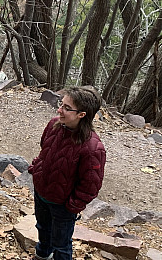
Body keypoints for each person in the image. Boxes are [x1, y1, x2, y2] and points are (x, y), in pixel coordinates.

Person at [28, 86, 106, 260]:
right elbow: (44, 150)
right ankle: (41, 256)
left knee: (61, 244)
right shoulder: (54, 125)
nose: (59, 110)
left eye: (66, 108)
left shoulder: (92, 148)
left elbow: (90, 185)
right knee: (43, 229)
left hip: (63, 205)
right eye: (61, 104)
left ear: (82, 115)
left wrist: (72, 206)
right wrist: (36, 169)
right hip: (42, 194)